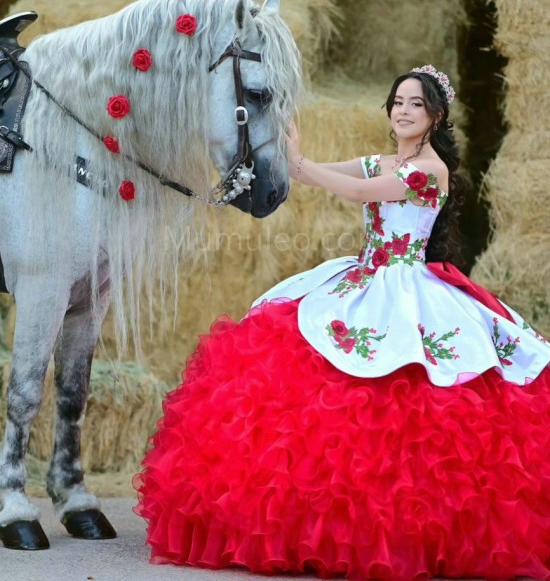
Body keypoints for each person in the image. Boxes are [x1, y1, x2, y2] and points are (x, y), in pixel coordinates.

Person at [134, 65, 550, 581]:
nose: (402, 110)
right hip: (364, 275)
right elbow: (314, 174)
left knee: (409, 390)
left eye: (415, 103)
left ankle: (402, 532)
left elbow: (359, 194)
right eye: (397, 101)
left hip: (406, 286)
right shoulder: (385, 160)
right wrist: (288, 148)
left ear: (436, 115)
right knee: (290, 351)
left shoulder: (430, 169)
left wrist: (306, 161)